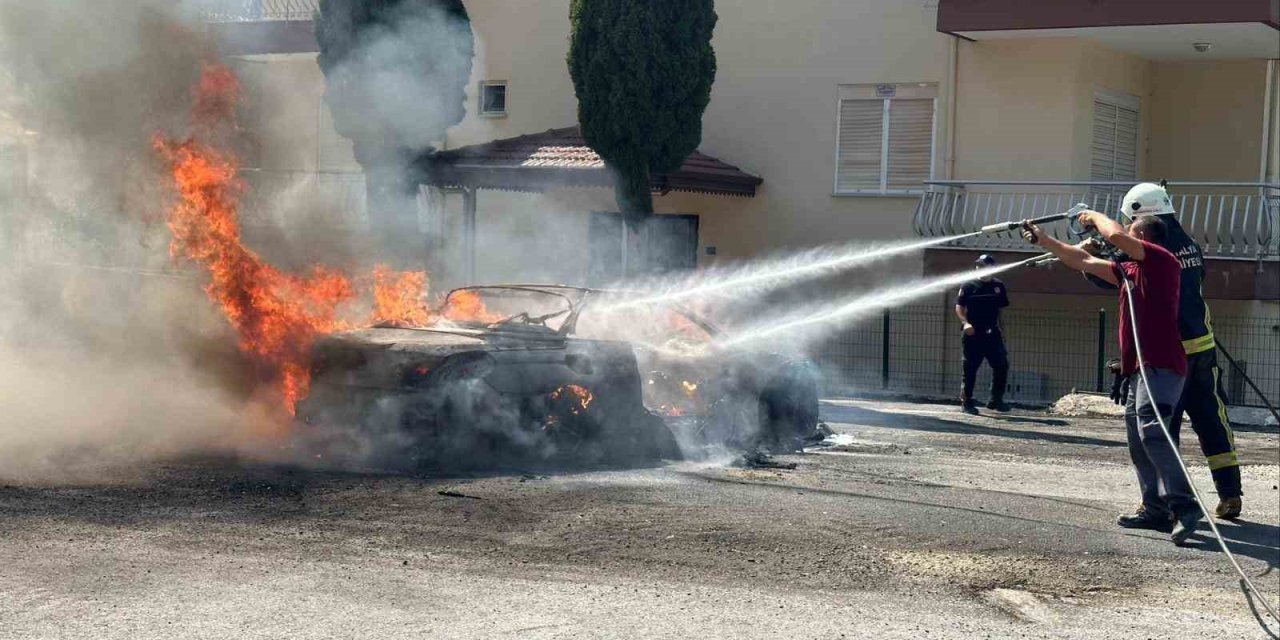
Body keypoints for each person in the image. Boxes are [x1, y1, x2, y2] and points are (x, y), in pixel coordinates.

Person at [1022, 211, 1201, 545]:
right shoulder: (1130, 271)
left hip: (1161, 366)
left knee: (1152, 431)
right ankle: (1155, 509)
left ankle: (1185, 506)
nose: (1120, 240)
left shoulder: (1163, 261)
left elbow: (1116, 237)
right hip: (1139, 370)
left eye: (1132, 232)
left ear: (1145, 237)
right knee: (1138, 439)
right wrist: (1045, 241)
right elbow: (1083, 261)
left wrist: (1094, 216)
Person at [1080, 183, 1243, 520]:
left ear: (1139, 214)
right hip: (1203, 347)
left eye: (1130, 221)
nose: (1127, 227)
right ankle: (1230, 495)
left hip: (1168, 357)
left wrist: (1088, 252)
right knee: (1213, 421)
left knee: (1157, 430)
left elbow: (1114, 275)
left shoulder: (1149, 248)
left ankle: (1162, 505)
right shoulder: (1189, 244)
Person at [955, 254, 1010, 415]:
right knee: (970, 369)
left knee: (1001, 365)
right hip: (973, 334)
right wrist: (965, 323)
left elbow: (1001, 311)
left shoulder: (999, 286)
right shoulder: (968, 285)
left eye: (983, 265)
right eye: (978, 265)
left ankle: (996, 400)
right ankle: (967, 402)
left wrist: (1003, 331)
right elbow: (959, 307)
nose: (979, 268)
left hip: (992, 333)